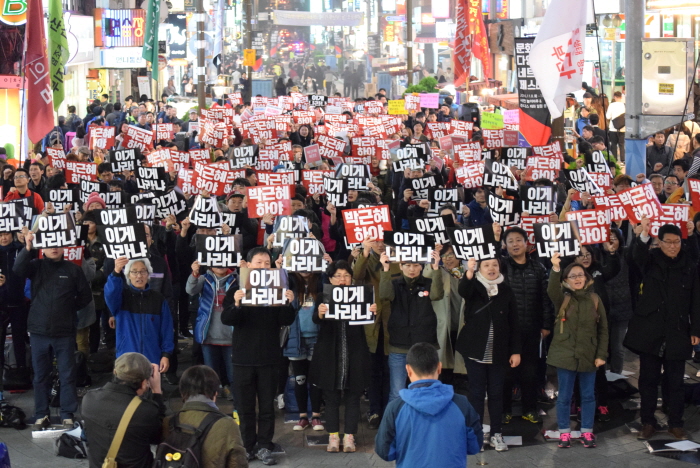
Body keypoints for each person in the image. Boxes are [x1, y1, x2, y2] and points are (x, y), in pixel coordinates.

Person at [625, 219, 700, 441]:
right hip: (651, 330)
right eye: (668, 242)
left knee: (675, 381)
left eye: (677, 242)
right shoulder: (650, 260)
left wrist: (696, 328)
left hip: (678, 331)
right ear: (660, 241)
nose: (673, 246)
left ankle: (676, 422)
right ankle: (648, 421)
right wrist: (644, 234)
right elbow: (634, 257)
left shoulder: (689, 264)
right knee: (648, 379)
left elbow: (696, 299)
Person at [221, 247, 296, 465]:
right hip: (243, 357)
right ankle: (247, 445)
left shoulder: (279, 287)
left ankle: (264, 446)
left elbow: (287, 320)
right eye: (258, 262)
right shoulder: (237, 289)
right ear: (248, 265)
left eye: (267, 263)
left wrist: (288, 301)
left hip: (270, 357)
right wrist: (236, 303)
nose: (263, 266)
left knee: (266, 406)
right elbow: (227, 319)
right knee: (244, 407)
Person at [14, 228, 92, 430]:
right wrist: (28, 248)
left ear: (64, 246)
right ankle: (41, 414)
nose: (54, 248)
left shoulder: (73, 270)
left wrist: (67, 309)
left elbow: (85, 297)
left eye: (57, 244)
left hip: (64, 332)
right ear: (43, 248)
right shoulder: (36, 266)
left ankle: (67, 414)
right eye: (49, 244)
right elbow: (17, 270)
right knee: (40, 376)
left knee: (67, 375)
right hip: (38, 331)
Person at [375, 342, 482, 468]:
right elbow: (475, 446)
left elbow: (385, 452)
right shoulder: (461, 404)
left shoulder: (395, 408)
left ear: (408, 370)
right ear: (439, 367)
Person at [309, 260, 376, 453]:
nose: (342, 279)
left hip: (355, 353)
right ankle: (332, 437)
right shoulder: (323, 295)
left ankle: (349, 437)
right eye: (337, 276)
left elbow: (367, 319)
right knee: (330, 397)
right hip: (330, 355)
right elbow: (315, 319)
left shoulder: (361, 294)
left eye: (346, 275)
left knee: (353, 396)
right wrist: (320, 313)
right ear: (330, 279)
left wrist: (372, 312)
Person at [455, 257, 521, 452]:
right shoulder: (474, 286)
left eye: (494, 264)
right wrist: (468, 273)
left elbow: (514, 323)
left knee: (496, 393)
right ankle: (475, 435)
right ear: (479, 269)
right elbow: (463, 291)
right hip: (475, 351)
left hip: (499, 353)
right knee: (475, 393)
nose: (491, 268)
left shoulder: (506, 290)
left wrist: (516, 351)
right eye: (486, 265)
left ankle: (496, 434)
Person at [547, 252, 608, 449]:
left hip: (589, 355)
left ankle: (587, 431)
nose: (577, 278)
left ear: (587, 277)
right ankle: (564, 432)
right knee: (564, 395)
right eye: (572, 276)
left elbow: (603, 330)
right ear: (566, 280)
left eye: (580, 275)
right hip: (565, 354)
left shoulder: (595, 299)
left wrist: (601, 355)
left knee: (588, 395)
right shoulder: (562, 299)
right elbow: (551, 290)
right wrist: (555, 268)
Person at [499, 226, 553, 425]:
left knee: (530, 372)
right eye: (510, 241)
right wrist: (495, 237)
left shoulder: (538, 268)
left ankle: (530, 408)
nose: (515, 244)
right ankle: (504, 410)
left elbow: (546, 299)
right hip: (507, 330)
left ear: (527, 243)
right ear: (505, 245)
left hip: (532, 328)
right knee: (506, 373)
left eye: (518, 240)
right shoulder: (502, 266)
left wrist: (546, 324)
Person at [379, 246, 443, 403]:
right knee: (397, 392)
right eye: (407, 265)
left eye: (415, 265)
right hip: (399, 345)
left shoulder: (428, 283)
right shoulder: (394, 284)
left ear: (421, 266)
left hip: (424, 345)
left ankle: (423, 424)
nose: (412, 269)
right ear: (400, 266)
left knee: (425, 390)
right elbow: (384, 295)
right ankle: (396, 426)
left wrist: (435, 268)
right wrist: (386, 269)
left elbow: (437, 295)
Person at [82, 353, 166, 468]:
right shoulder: (146, 410)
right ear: (143, 383)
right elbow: (158, 437)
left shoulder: (89, 399)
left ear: (115, 372)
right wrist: (156, 391)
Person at [162, 365, 248, 468]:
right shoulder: (227, 424)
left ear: (182, 393)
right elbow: (237, 464)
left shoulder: (169, 422)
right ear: (215, 394)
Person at [104, 257, 174, 371]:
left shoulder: (158, 299)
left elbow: (166, 329)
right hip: (126, 359)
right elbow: (110, 293)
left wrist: (166, 355)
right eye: (134, 272)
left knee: (152, 388)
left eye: (143, 271)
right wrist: (116, 272)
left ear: (148, 274)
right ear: (128, 275)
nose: (139, 275)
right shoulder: (121, 297)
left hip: (152, 358)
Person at [187, 260, 237, 405]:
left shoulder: (237, 278)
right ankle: (209, 402)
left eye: (224, 260)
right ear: (209, 262)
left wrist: (247, 273)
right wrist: (195, 273)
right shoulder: (204, 278)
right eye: (216, 260)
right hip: (208, 334)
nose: (220, 264)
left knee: (233, 373)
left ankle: (237, 404)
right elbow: (190, 290)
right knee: (210, 374)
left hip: (231, 336)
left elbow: (251, 288)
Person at [606, 91, 626, 161]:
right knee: (622, 144)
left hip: (613, 128)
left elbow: (608, 116)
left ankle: (614, 160)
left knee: (613, 144)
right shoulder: (624, 105)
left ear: (614, 97)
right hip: (623, 128)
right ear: (621, 97)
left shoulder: (612, 105)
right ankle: (623, 160)